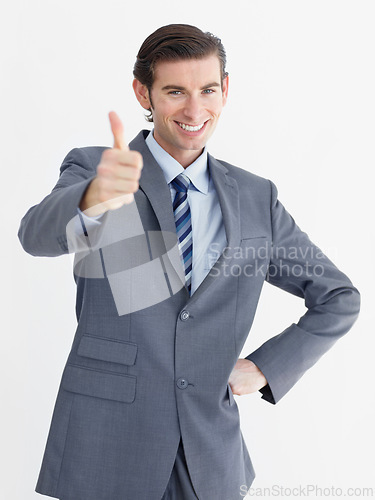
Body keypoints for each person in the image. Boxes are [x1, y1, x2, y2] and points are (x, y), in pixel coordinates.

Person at [18, 24, 360, 500]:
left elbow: (339, 297)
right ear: (144, 92)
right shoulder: (99, 168)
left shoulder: (256, 199)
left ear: (226, 90)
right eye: (175, 91)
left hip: (208, 456)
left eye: (208, 90)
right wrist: (96, 193)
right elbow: (35, 237)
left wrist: (264, 368)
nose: (195, 109)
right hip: (108, 443)